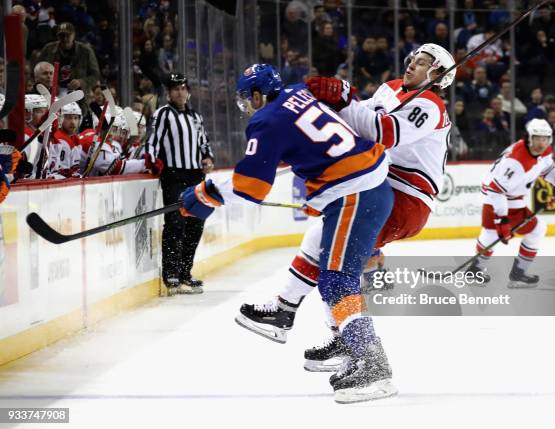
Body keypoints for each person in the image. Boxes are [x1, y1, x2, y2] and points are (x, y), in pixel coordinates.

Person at [179, 64, 396, 404]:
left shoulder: (266, 119)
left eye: (246, 100)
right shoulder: (299, 92)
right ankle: (287, 313)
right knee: (326, 266)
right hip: (365, 187)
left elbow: (251, 187)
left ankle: (372, 366)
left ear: (255, 95)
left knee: (338, 281)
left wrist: (206, 195)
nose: (247, 107)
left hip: (354, 193)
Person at [236, 44, 455, 371]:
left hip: (405, 198)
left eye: (422, 64)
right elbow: (353, 119)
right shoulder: (392, 87)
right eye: (413, 60)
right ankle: (293, 313)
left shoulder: (430, 105)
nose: (411, 66)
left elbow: (384, 132)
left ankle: (349, 344)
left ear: (438, 76)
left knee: (338, 269)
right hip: (375, 182)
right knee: (319, 243)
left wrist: (345, 98)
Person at [467, 119, 555, 287]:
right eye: (537, 138)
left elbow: (546, 168)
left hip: (512, 196)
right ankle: (478, 271)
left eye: (545, 138)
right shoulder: (516, 162)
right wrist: (502, 219)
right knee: (493, 232)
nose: (541, 143)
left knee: (534, 229)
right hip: (495, 195)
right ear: (529, 137)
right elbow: (496, 190)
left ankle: (509, 273)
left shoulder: (543, 150)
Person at [144, 73, 214, 294]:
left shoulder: (195, 116)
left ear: (188, 92)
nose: (180, 92)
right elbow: (152, 141)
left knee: (195, 224)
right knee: (176, 223)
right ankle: (171, 274)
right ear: (168, 93)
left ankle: (185, 273)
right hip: (174, 175)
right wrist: (152, 160)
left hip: (195, 176)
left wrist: (208, 158)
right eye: (175, 88)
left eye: (183, 88)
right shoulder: (162, 114)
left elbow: (204, 142)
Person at [37, 22, 101, 97]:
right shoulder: (48, 49)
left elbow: (95, 75)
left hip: (79, 95)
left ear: (74, 35)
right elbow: (37, 71)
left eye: (68, 35)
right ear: (57, 37)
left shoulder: (86, 51)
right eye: (61, 36)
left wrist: (81, 82)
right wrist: (49, 84)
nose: (64, 38)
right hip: (51, 93)